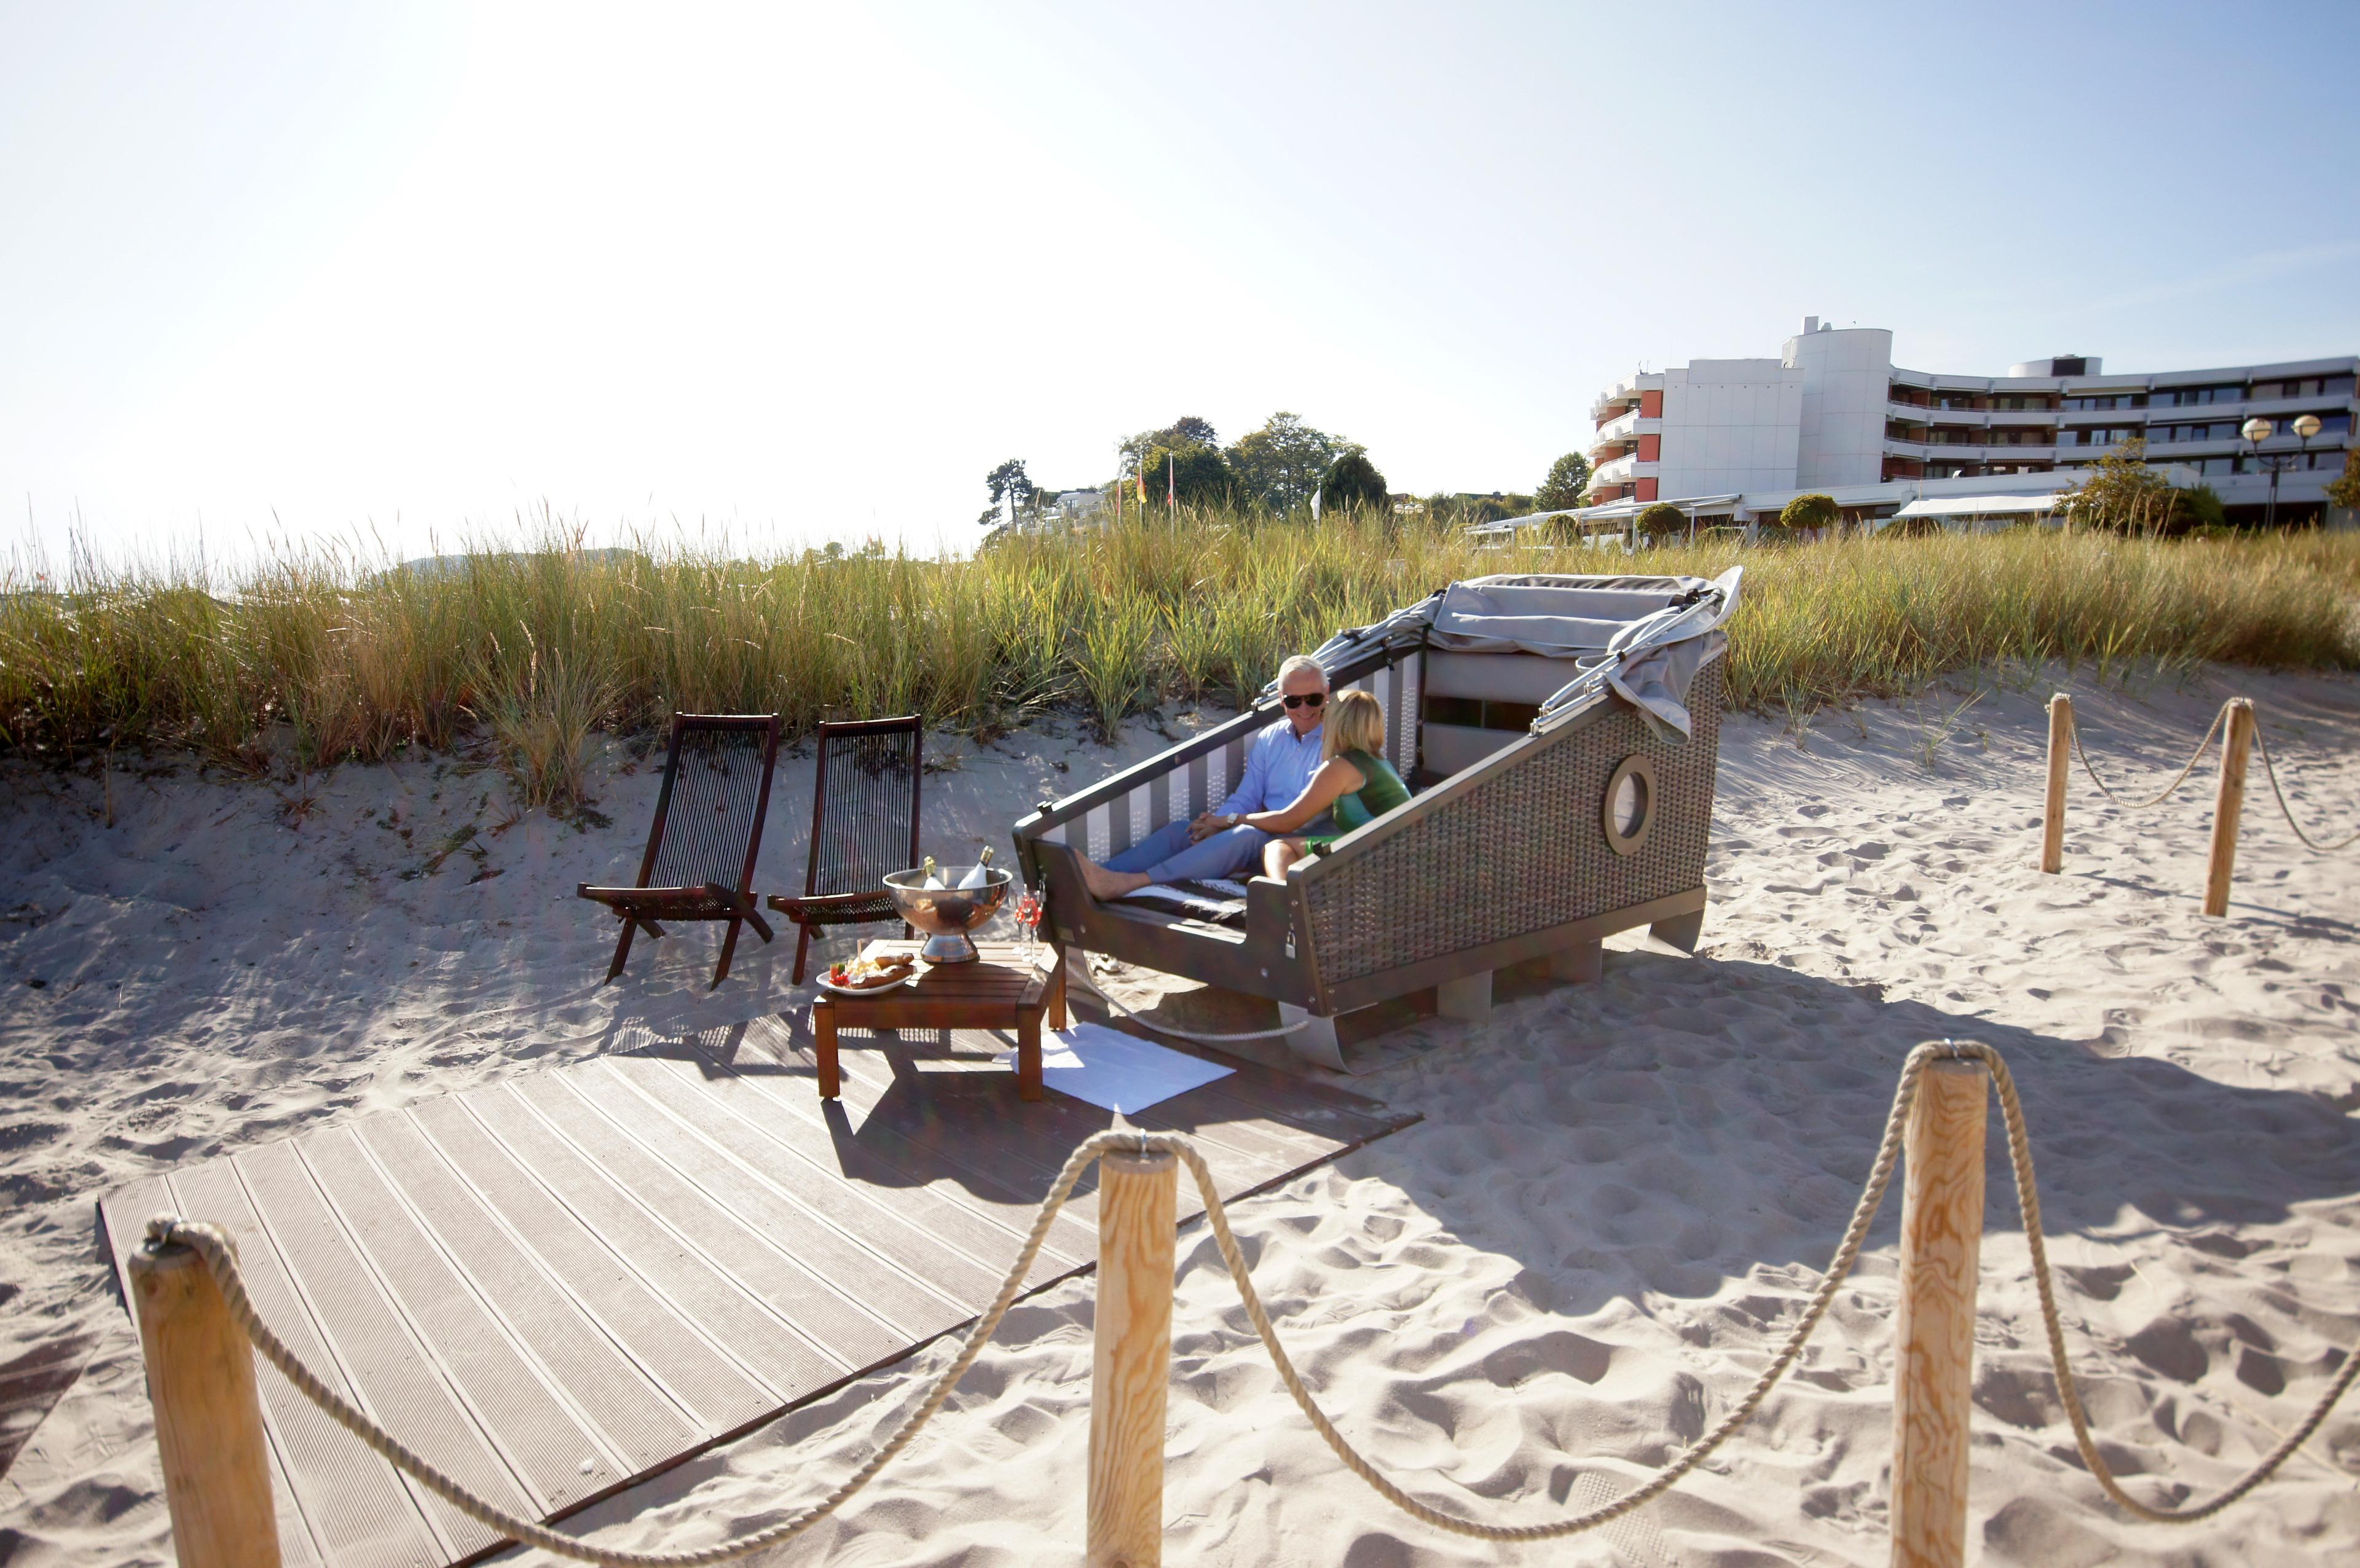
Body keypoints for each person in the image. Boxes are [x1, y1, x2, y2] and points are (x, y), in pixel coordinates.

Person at [1076, 653, 1334, 899]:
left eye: (1312, 699)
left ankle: (1134, 883)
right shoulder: (1271, 738)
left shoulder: (1336, 741)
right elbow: (1248, 796)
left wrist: (1228, 823)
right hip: (1260, 830)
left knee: (1245, 836)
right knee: (1184, 831)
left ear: (1326, 693)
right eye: (1294, 701)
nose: (1304, 709)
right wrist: (1214, 823)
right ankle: (1091, 878)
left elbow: (1295, 820)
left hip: (1293, 846)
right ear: (1281, 699)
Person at [1254, 688, 1410, 882]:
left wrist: (1234, 820)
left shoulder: (1340, 767)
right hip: (1397, 852)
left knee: (1277, 848)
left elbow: (1288, 821)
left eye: (1325, 717)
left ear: (1336, 723)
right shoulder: (1377, 761)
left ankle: (1284, 898)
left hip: (1377, 856)